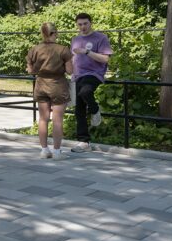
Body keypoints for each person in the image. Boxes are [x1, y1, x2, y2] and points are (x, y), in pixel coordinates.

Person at [26, 23, 74, 160]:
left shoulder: (34, 49)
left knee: (43, 119)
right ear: (55, 33)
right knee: (57, 120)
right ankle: (57, 152)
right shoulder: (63, 49)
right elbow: (70, 71)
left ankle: (44, 150)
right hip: (58, 85)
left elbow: (31, 70)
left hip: (40, 85)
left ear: (42, 33)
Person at [70, 13, 112, 153]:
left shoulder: (101, 38)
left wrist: (87, 52)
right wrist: (71, 73)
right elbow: (73, 59)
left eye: (85, 23)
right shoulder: (75, 39)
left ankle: (95, 109)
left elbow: (105, 59)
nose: (82, 27)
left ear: (90, 23)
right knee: (79, 109)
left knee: (85, 92)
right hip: (78, 75)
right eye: (80, 24)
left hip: (94, 74)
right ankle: (84, 142)